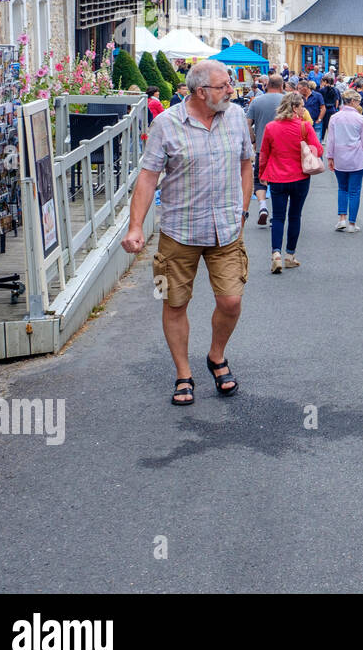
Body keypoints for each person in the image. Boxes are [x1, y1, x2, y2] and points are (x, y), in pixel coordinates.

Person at [122, 59, 252, 405]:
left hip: (226, 230)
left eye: (230, 85)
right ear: (200, 92)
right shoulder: (166, 124)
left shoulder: (236, 117)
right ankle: (183, 373)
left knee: (231, 301)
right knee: (174, 302)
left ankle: (216, 355)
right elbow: (148, 176)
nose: (231, 91)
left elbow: (245, 163)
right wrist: (136, 227)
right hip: (178, 232)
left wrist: (243, 209)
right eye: (224, 86)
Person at [258, 91, 324, 273]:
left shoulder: (271, 127)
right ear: (294, 107)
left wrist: (262, 174)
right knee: (295, 216)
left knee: (278, 217)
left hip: (277, 176)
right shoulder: (305, 127)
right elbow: (318, 150)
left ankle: (276, 254)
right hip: (300, 177)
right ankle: (290, 255)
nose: (304, 108)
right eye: (301, 105)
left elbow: (264, 153)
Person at [326, 89, 363, 233]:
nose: (359, 103)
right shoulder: (360, 119)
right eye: (358, 101)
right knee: (354, 191)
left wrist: (330, 156)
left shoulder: (335, 117)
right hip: (356, 157)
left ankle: (342, 218)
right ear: (353, 102)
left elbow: (331, 139)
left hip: (340, 156)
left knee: (342, 188)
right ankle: (352, 223)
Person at [247, 74, 289, 226]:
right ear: (281, 86)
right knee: (279, 182)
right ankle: (277, 215)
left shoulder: (256, 101)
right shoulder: (286, 101)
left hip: (262, 148)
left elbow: (248, 124)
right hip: (283, 149)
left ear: (266, 85)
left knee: (259, 180)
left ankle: (263, 206)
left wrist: (254, 139)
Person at [318, 74, 341, 139]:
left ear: (325, 82)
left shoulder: (322, 90)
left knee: (324, 125)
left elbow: (320, 100)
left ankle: (322, 138)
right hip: (332, 109)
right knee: (332, 125)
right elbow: (337, 100)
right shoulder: (335, 90)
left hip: (324, 109)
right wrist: (335, 108)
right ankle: (332, 138)